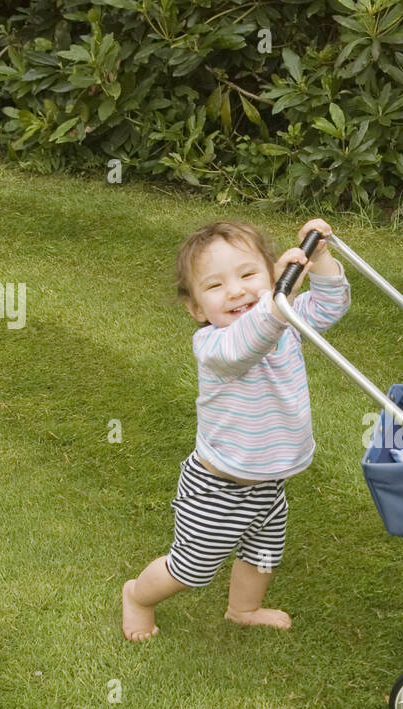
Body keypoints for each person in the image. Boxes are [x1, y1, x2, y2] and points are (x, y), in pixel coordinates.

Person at [122, 218, 350, 640]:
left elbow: (328, 307)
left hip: (269, 481)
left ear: (270, 274)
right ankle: (138, 596)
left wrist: (319, 261)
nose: (236, 290)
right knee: (190, 568)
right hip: (217, 487)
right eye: (215, 286)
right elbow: (249, 342)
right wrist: (276, 302)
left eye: (248, 275)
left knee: (263, 554)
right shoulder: (214, 346)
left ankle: (243, 608)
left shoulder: (284, 321)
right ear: (196, 309)